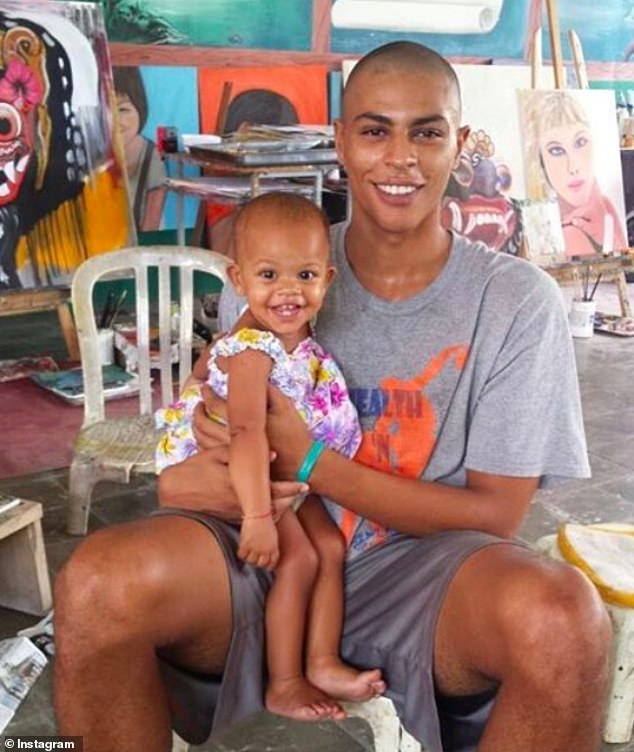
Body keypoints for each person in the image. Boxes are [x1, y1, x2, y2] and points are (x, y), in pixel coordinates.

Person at [54, 41, 612, 752]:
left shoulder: (513, 302)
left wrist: (307, 457)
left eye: (428, 131)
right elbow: (187, 485)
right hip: (268, 551)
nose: (401, 157)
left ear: (460, 143)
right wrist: (222, 474)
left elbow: (496, 515)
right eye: (376, 130)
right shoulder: (275, 264)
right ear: (341, 141)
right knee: (97, 584)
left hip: (424, 567)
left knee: (566, 619)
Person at [154, 192, 384, 720]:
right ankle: (284, 681)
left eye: (304, 276)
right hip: (240, 469)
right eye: (268, 275)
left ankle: (322, 661)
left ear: (327, 278)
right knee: (300, 558)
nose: (287, 291)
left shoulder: (299, 339)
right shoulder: (251, 350)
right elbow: (247, 435)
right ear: (239, 281)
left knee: (330, 546)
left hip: (280, 468)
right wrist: (257, 518)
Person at [521, 88, 626, 257]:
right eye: (556, 151)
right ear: (540, 161)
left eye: (580, 142)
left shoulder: (605, 207)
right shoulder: (567, 233)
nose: (573, 166)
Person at [113, 66, 167, 232]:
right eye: (105, 109)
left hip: (140, 240)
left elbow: (155, 203)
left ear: (140, 108)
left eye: (123, 110)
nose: (114, 120)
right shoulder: (91, 155)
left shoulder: (150, 155)